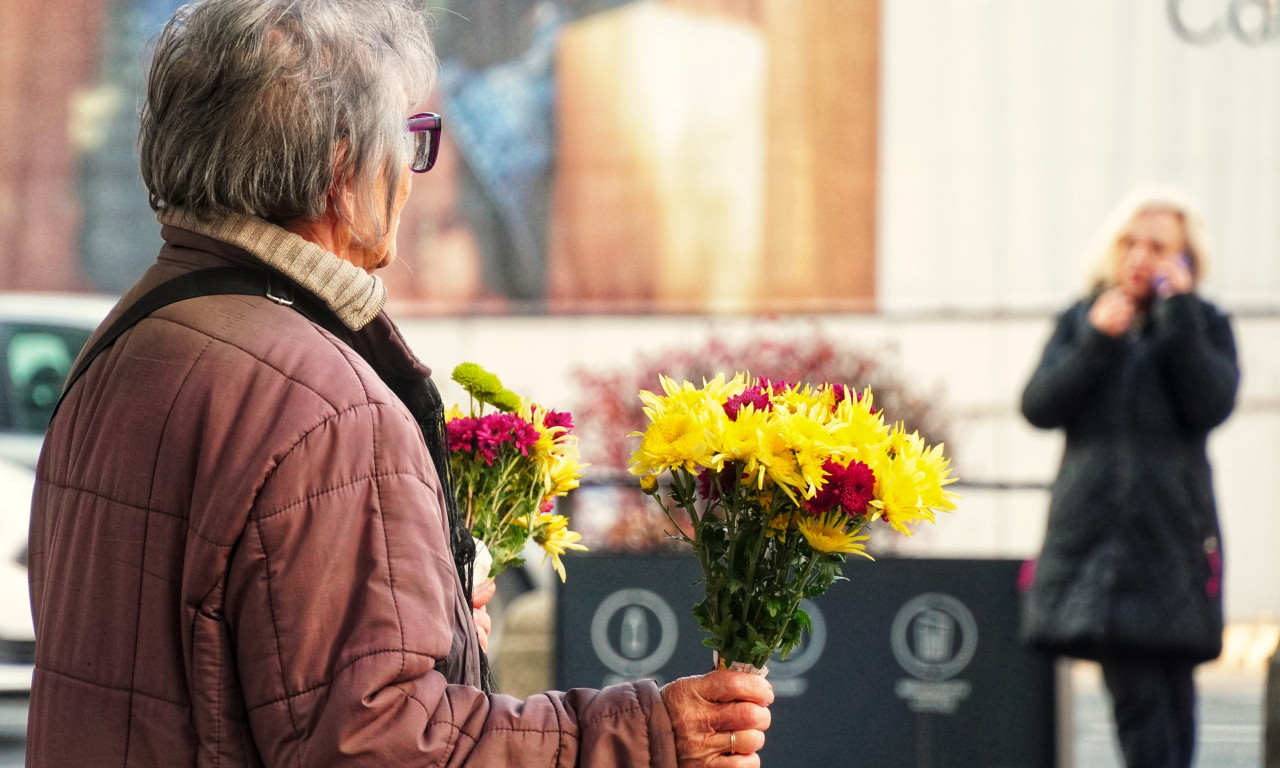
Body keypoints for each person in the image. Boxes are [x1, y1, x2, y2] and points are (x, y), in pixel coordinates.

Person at [26, 1, 772, 766]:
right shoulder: (326, 408)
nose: (415, 184)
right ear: (345, 166)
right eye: (413, 142)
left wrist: (435, 634)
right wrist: (647, 737)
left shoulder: (126, 344)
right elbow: (379, 744)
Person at [1019, 185, 1239, 768]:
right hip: (1102, 546)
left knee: (1175, 699)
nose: (1142, 256)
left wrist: (1179, 318)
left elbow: (1211, 403)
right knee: (1139, 697)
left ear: (1186, 258)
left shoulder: (1203, 322)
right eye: (1130, 243)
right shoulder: (1083, 318)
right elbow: (1038, 405)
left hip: (1175, 539)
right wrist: (1095, 339)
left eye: (1159, 246)